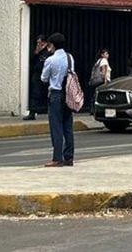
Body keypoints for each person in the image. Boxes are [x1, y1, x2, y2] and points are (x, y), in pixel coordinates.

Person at [40, 32, 74, 167]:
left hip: (56, 94)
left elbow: (43, 78)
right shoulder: (70, 57)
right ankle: (69, 157)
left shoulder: (50, 60)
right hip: (68, 94)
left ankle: (57, 158)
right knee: (68, 126)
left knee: (56, 126)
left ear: (52, 45)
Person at [24, 35, 51, 120]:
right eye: (37, 42)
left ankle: (49, 111)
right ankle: (32, 112)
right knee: (35, 93)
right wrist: (36, 52)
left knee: (49, 94)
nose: (39, 44)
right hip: (37, 75)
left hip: (46, 75)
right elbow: (32, 60)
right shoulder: (37, 51)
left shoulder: (48, 51)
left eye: (40, 42)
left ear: (45, 42)